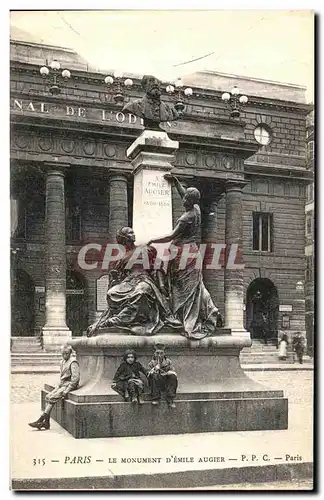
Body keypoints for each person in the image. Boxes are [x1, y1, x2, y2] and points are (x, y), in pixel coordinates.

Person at [147, 175, 223, 340]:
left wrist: (153, 240)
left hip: (183, 254)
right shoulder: (196, 209)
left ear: (190, 200)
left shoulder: (187, 217)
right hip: (192, 252)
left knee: (184, 289)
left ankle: (186, 321)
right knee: (194, 287)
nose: (183, 200)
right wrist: (175, 182)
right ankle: (208, 312)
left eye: (186, 198)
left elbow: (171, 236)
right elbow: (184, 195)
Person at [86, 227, 181, 336]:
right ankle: (122, 319)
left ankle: (119, 320)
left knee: (141, 292)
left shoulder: (146, 249)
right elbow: (118, 277)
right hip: (128, 282)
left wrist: (161, 284)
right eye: (130, 232)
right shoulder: (122, 258)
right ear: (124, 238)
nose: (133, 234)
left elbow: (157, 266)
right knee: (111, 293)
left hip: (144, 279)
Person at [28, 345, 80, 430]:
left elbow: (75, 379)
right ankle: (46, 423)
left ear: (70, 353)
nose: (64, 355)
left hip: (69, 385)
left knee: (52, 397)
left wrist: (67, 390)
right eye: (63, 353)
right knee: (48, 396)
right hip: (62, 385)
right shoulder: (62, 362)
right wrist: (58, 386)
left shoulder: (73, 362)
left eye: (66, 353)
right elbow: (62, 376)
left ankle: (41, 420)